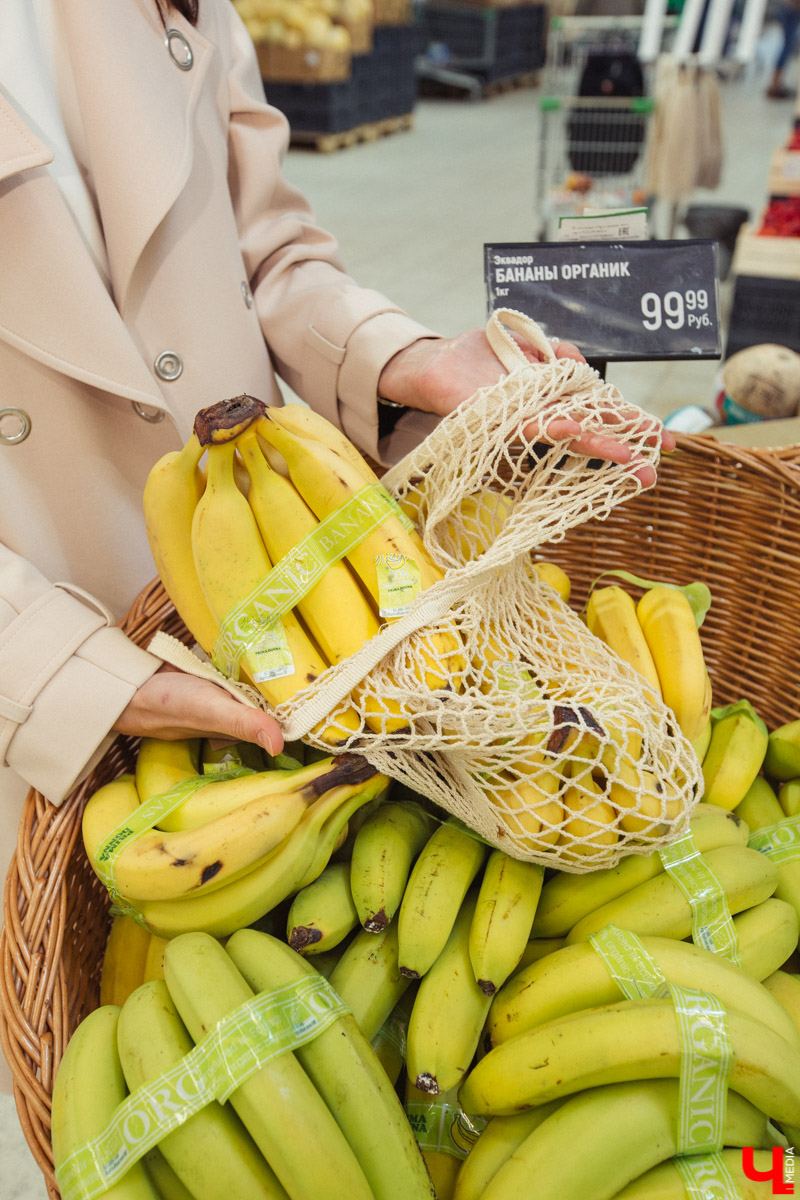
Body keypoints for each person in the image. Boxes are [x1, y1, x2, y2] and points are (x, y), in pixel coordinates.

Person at [0, 0, 672, 1088]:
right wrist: (56, 669)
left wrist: (396, 358)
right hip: (54, 644)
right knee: (113, 1017)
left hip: (309, 608)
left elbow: (267, 248)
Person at [767, 0, 800, 98]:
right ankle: (774, 85)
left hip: (790, 8)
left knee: (786, 46)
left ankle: (775, 83)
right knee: (786, 47)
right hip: (792, 9)